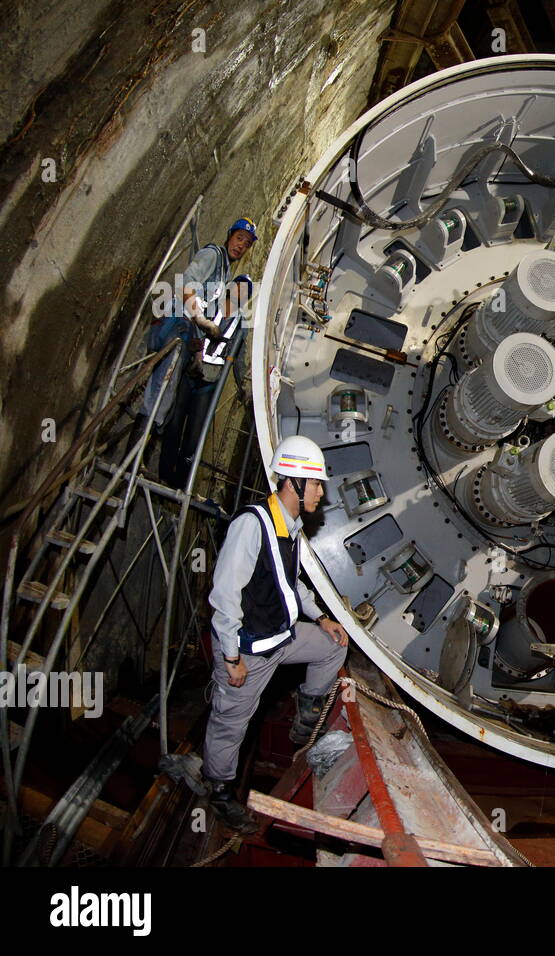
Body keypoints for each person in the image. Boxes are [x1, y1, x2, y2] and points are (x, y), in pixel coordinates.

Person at [201, 435, 348, 833]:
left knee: (334, 647)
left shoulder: (291, 525)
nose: (321, 491)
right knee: (230, 724)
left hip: (279, 639)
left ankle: (305, 716)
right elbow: (225, 595)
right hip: (247, 651)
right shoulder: (253, 525)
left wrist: (320, 618)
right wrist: (230, 658)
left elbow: (292, 584)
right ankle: (217, 789)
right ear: (292, 484)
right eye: (316, 484)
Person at [134, 218, 257, 480]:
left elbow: (240, 358)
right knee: (162, 399)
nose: (241, 246)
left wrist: (200, 351)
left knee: (166, 405)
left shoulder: (235, 310)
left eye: (246, 244)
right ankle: (134, 462)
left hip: (197, 362)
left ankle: (139, 462)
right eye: (239, 239)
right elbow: (187, 283)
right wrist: (199, 321)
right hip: (176, 328)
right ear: (229, 236)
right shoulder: (214, 255)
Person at [157, 274, 254, 488]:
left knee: (193, 438)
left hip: (208, 384)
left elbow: (239, 358)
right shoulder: (210, 307)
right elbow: (190, 324)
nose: (241, 293)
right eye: (239, 287)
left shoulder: (241, 324)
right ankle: (164, 472)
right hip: (189, 374)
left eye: (246, 292)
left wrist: (244, 388)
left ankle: (181, 482)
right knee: (173, 424)